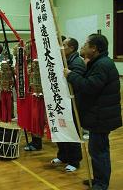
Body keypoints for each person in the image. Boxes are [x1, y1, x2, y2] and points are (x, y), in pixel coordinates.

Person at [64, 34, 122, 190]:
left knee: (99, 151)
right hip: (99, 114)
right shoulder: (98, 62)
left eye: (85, 44)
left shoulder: (102, 65)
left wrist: (71, 75)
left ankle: (101, 184)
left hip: (101, 116)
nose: (83, 46)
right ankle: (98, 179)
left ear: (94, 48)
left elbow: (89, 86)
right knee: (96, 150)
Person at [51, 37, 85, 172]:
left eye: (64, 45)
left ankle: (74, 161)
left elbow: (76, 83)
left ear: (71, 48)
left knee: (72, 131)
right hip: (62, 101)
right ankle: (63, 156)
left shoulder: (77, 62)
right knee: (61, 129)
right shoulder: (62, 60)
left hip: (72, 102)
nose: (61, 46)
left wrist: (67, 75)